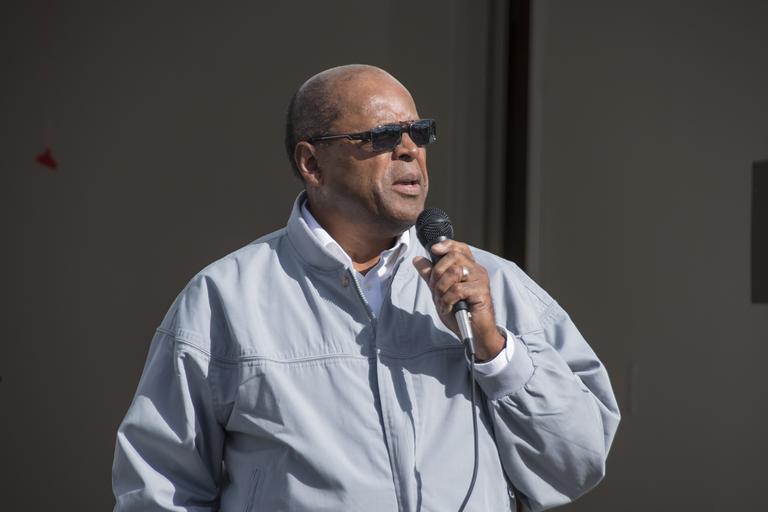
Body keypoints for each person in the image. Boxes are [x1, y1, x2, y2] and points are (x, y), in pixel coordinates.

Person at [112, 64, 620, 512]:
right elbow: (160, 489)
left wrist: (494, 350)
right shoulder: (225, 298)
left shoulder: (492, 285)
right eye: (383, 135)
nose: (409, 149)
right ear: (312, 163)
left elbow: (577, 463)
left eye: (419, 132)